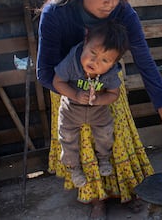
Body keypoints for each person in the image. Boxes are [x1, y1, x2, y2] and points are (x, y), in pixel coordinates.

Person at [36, 0, 162, 219]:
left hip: (106, 85)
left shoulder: (123, 14)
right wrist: (75, 92)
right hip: (66, 86)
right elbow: (44, 72)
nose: (110, 3)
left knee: (115, 134)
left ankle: (126, 189)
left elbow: (145, 63)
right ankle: (96, 199)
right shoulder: (55, 14)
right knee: (84, 141)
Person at [53, 21, 129, 187]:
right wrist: (75, 94)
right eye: (92, 52)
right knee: (67, 138)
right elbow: (57, 82)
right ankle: (74, 168)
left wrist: (100, 100)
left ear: (113, 63)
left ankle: (104, 159)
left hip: (98, 111)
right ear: (85, 42)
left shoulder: (111, 73)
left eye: (105, 60)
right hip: (71, 110)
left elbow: (114, 94)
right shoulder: (71, 62)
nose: (95, 62)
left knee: (105, 134)